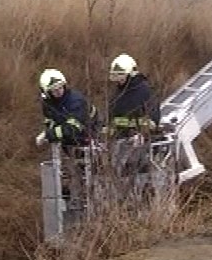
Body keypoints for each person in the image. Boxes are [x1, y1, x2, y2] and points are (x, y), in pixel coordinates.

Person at [105, 53, 161, 181]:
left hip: (141, 145)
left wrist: (142, 134)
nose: (118, 80)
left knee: (137, 177)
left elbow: (153, 118)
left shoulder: (144, 91)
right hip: (121, 143)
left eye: (121, 76)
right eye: (116, 76)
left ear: (131, 74)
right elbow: (112, 118)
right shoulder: (118, 93)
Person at [35, 68, 98, 149]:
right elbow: (50, 122)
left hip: (88, 133)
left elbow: (73, 128)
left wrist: (47, 134)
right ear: (47, 93)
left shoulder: (75, 101)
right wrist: (49, 134)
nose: (58, 91)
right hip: (68, 139)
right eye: (54, 90)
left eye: (60, 87)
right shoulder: (48, 103)